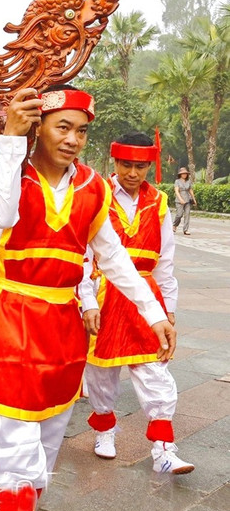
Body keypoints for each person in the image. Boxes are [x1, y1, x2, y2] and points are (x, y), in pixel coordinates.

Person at [0, 86, 175, 511]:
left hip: (64, 325)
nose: (73, 139)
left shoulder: (94, 188)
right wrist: (11, 139)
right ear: (39, 128)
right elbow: (1, 216)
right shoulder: (12, 176)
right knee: (13, 433)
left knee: (49, 434)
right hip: (12, 315)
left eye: (81, 130)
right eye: (62, 127)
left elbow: (114, 258)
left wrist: (153, 312)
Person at [82, 132, 193, 474]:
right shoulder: (96, 195)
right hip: (105, 294)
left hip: (147, 297)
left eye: (140, 166)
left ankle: (164, 449)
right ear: (115, 162)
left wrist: (168, 309)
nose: (132, 172)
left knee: (156, 373)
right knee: (101, 374)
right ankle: (104, 430)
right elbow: (83, 254)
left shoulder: (158, 201)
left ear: (149, 166)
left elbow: (166, 262)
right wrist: (87, 300)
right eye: (126, 164)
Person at [172, 166, 196, 235]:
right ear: (180, 174)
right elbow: (176, 191)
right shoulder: (177, 181)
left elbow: (190, 190)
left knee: (187, 214)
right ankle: (175, 225)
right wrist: (180, 199)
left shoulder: (188, 181)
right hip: (179, 201)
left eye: (185, 174)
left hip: (187, 200)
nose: (184, 175)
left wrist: (194, 199)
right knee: (179, 215)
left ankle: (185, 229)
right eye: (183, 174)